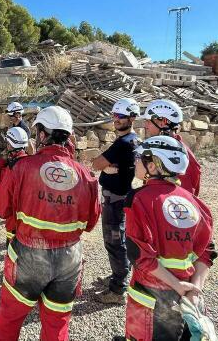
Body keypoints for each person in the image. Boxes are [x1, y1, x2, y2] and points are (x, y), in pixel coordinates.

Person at [0, 106, 101, 341]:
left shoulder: (22, 168)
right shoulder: (86, 176)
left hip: (29, 256)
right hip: (69, 260)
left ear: (41, 135)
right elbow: (91, 223)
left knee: (9, 322)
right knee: (56, 328)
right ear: (68, 137)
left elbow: (0, 207)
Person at [115, 135, 216, 341]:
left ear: (152, 166)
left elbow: (139, 255)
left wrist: (176, 285)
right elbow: (207, 251)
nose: (135, 161)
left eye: (139, 157)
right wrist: (193, 289)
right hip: (189, 295)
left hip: (152, 294)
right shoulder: (196, 202)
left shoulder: (139, 199)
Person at [91, 98, 141, 304]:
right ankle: (119, 276)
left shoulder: (123, 143)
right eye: (114, 115)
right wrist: (106, 167)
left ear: (132, 117)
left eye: (121, 116)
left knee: (114, 242)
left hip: (115, 200)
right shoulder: (134, 140)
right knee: (119, 238)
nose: (116, 119)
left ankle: (118, 288)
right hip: (122, 197)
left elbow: (95, 163)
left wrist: (103, 166)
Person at [140, 99, 201, 196]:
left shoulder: (178, 155)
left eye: (148, 121)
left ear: (162, 122)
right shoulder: (165, 149)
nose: (145, 125)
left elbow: (183, 193)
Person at [0, 127, 29, 244]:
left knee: (12, 250)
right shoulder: (31, 163)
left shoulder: (10, 168)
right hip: (29, 220)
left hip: (14, 220)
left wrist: (1, 161)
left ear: (10, 145)